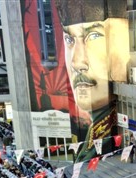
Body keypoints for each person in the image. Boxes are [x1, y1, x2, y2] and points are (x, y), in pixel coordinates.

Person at [54, 0, 128, 162]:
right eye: (69, 40)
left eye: (94, 36)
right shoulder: (93, 137)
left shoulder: (105, 132)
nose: (77, 63)